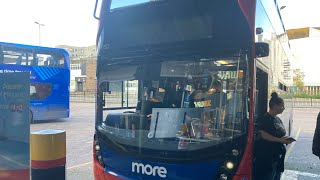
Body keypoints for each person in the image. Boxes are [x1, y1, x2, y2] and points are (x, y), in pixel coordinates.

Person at [254, 92, 295, 180]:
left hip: (277, 157)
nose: (284, 108)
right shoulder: (264, 119)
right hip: (267, 159)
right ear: (275, 106)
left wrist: (284, 139)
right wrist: (281, 140)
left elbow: (278, 134)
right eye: (282, 106)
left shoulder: (277, 119)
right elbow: (263, 135)